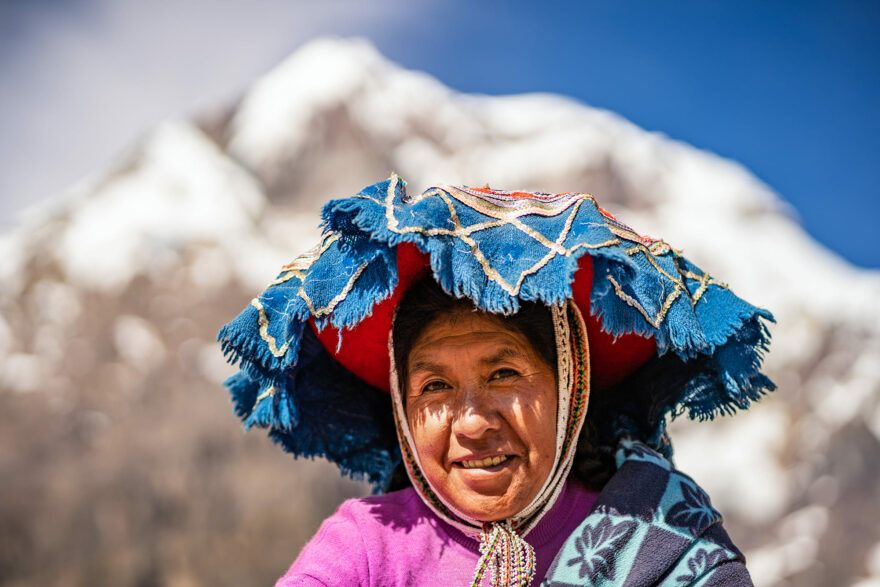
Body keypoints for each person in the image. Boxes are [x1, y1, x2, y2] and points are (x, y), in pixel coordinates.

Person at [219, 176, 775, 586]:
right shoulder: (364, 547)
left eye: (503, 374)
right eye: (434, 387)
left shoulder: (666, 539)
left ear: (570, 389)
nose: (473, 422)